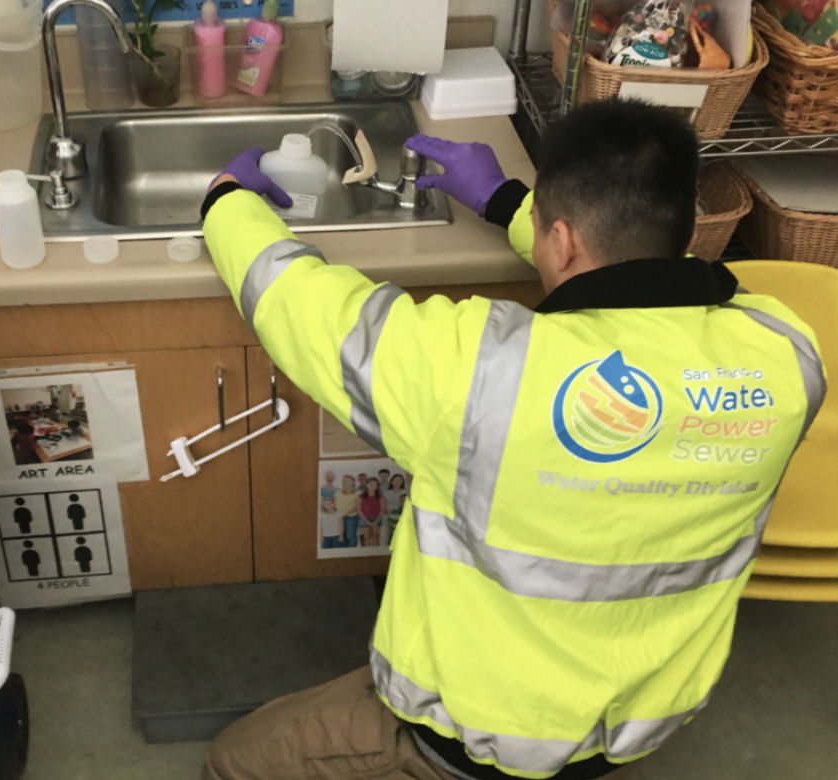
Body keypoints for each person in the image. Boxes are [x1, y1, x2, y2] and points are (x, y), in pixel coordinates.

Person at [198, 98, 826, 780]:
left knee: (234, 763)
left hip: (470, 738)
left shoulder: (476, 374)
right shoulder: (786, 355)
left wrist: (227, 204)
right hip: (639, 720)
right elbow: (628, 270)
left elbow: (300, 303)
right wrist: (505, 202)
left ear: (560, 240)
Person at [333, 474, 360, 548]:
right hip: (339, 518)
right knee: (341, 534)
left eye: (349, 481)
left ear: (353, 482)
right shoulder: (337, 493)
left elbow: (357, 507)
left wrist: (344, 515)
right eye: (344, 481)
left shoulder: (357, 494)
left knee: (351, 535)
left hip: (351, 517)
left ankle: (352, 551)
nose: (346, 483)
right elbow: (334, 505)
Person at [359, 477, 386, 548]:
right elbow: (359, 510)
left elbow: (382, 509)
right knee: (366, 538)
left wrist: (377, 521)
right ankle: (367, 555)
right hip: (364, 519)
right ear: (367, 485)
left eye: (375, 484)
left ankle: (375, 555)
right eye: (371, 484)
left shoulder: (380, 496)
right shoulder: (361, 496)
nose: (373, 486)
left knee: (375, 537)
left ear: (377, 486)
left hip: (376, 519)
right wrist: (366, 521)